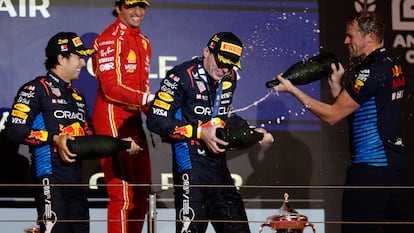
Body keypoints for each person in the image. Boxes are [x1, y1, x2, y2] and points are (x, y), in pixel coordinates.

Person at [273, 11, 413, 233]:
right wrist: (336, 84)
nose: (345, 41)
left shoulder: (370, 71)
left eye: (350, 36)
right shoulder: (390, 64)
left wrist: (292, 90)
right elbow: (358, 108)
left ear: (369, 37)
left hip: (371, 172)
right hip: (397, 172)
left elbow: (332, 115)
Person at [4, 32, 141, 233]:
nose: (84, 64)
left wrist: (121, 144)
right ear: (61, 58)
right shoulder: (35, 89)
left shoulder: (77, 96)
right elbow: (14, 130)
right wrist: (54, 138)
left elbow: (89, 141)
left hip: (76, 184)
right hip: (49, 179)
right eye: (79, 57)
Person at [147, 32, 274, 233]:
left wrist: (252, 132)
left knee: (238, 229)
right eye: (221, 62)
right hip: (190, 165)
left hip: (217, 166)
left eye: (230, 65)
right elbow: (156, 119)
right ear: (206, 51)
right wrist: (200, 133)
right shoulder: (180, 76)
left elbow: (223, 117)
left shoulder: (229, 77)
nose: (224, 69)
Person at [91, 0, 153, 232]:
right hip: (111, 117)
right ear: (118, 7)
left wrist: (160, 112)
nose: (138, 12)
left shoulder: (145, 42)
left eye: (142, 7)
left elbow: (142, 89)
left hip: (134, 120)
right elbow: (110, 88)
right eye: (131, 7)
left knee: (141, 193)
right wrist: (146, 100)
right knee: (123, 194)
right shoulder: (108, 38)